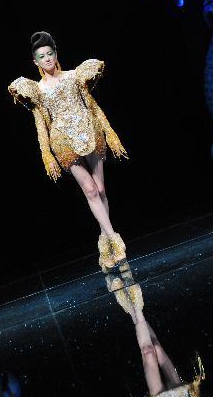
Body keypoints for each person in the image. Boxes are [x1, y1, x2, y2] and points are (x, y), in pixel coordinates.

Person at [7, 31, 129, 271]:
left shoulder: (74, 76)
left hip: (89, 132)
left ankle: (105, 244)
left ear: (55, 53)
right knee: (91, 191)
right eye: (42, 57)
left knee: (101, 188)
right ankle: (115, 240)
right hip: (62, 141)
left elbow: (93, 106)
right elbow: (41, 125)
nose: (48, 59)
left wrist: (110, 132)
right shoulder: (37, 90)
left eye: (50, 54)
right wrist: (47, 154)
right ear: (36, 62)